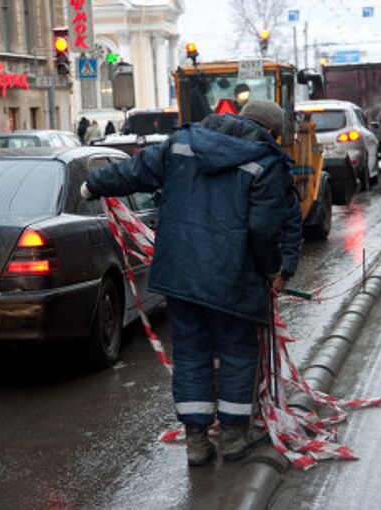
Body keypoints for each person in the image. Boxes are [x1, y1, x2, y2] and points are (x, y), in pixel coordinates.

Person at [81, 101, 302, 466]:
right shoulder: (266, 162)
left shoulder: (182, 143)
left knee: (191, 355)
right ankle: (232, 438)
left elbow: (135, 171)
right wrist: (274, 270)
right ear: (271, 131)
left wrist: (93, 185)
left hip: (181, 275)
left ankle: (196, 443)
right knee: (236, 354)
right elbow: (265, 229)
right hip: (234, 280)